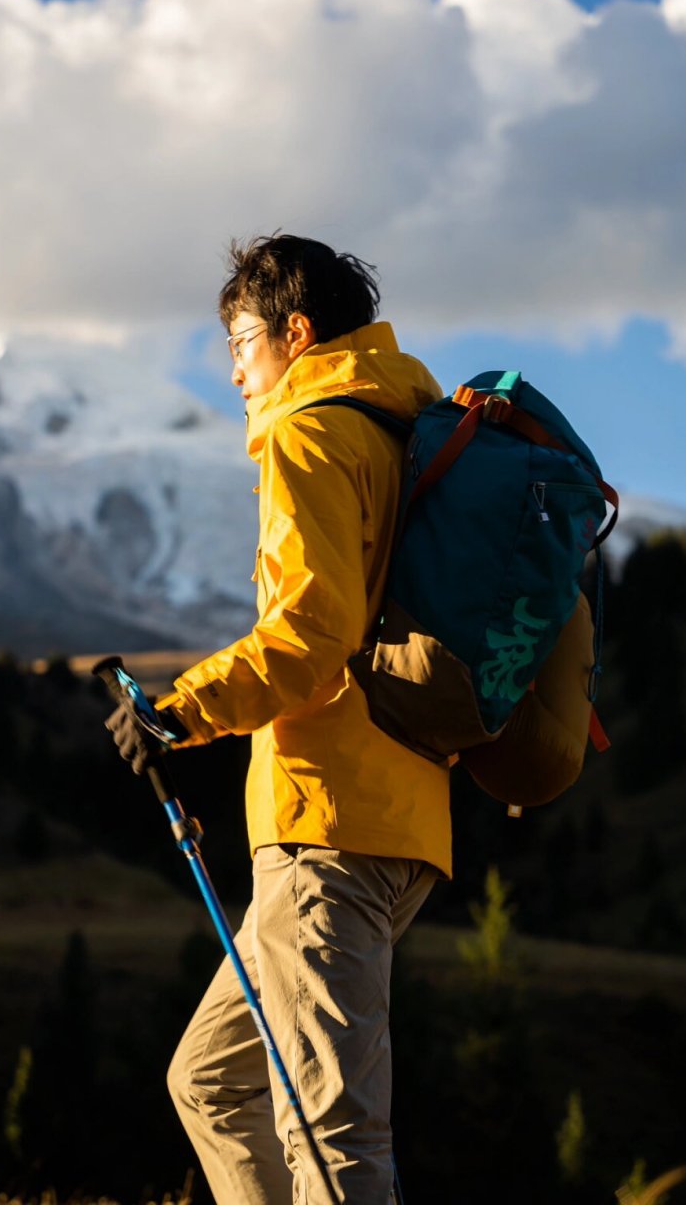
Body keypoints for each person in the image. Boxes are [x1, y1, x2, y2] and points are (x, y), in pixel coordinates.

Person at [107, 234, 452, 1204]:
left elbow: (308, 634)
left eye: (241, 343)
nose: (233, 371)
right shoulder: (397, 430)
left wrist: (178, 710)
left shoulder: (308, 430)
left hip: (323, 825)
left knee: (331, 1139)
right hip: (400, 818)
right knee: (212, 1080)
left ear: (294, 334)